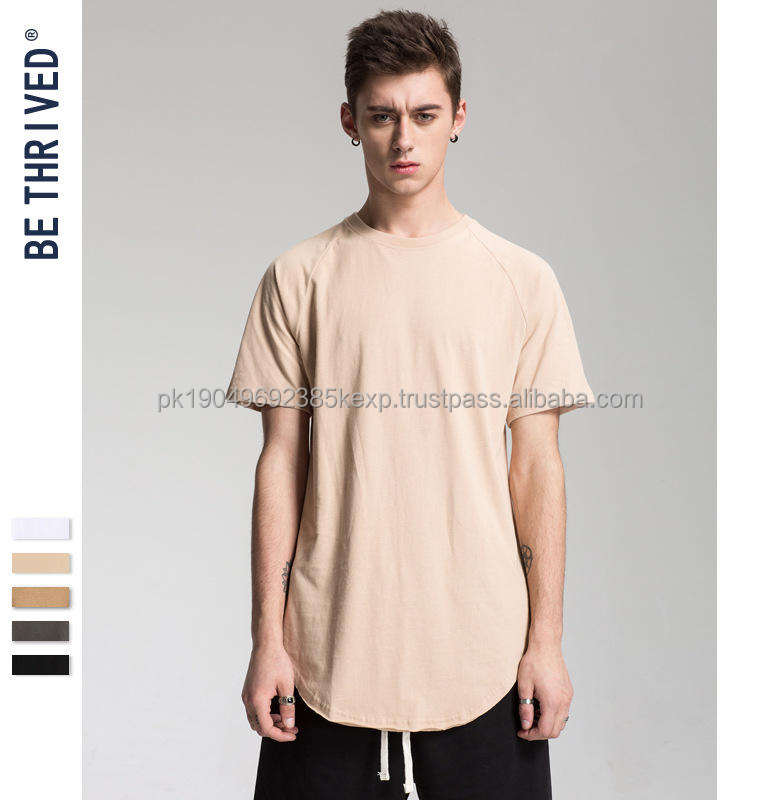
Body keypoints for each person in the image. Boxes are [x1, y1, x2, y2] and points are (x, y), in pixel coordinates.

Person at [226, 9, 593, 799]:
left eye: (425, 115)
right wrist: (267, 639)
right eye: (382, 116)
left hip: (484, 654)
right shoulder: (299, 277)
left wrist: (547, 642)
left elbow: (537, 469)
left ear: (458, 117)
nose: (404, 139)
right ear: (349, 121)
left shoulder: (521, 281)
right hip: (325, 650)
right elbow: (281, 462)